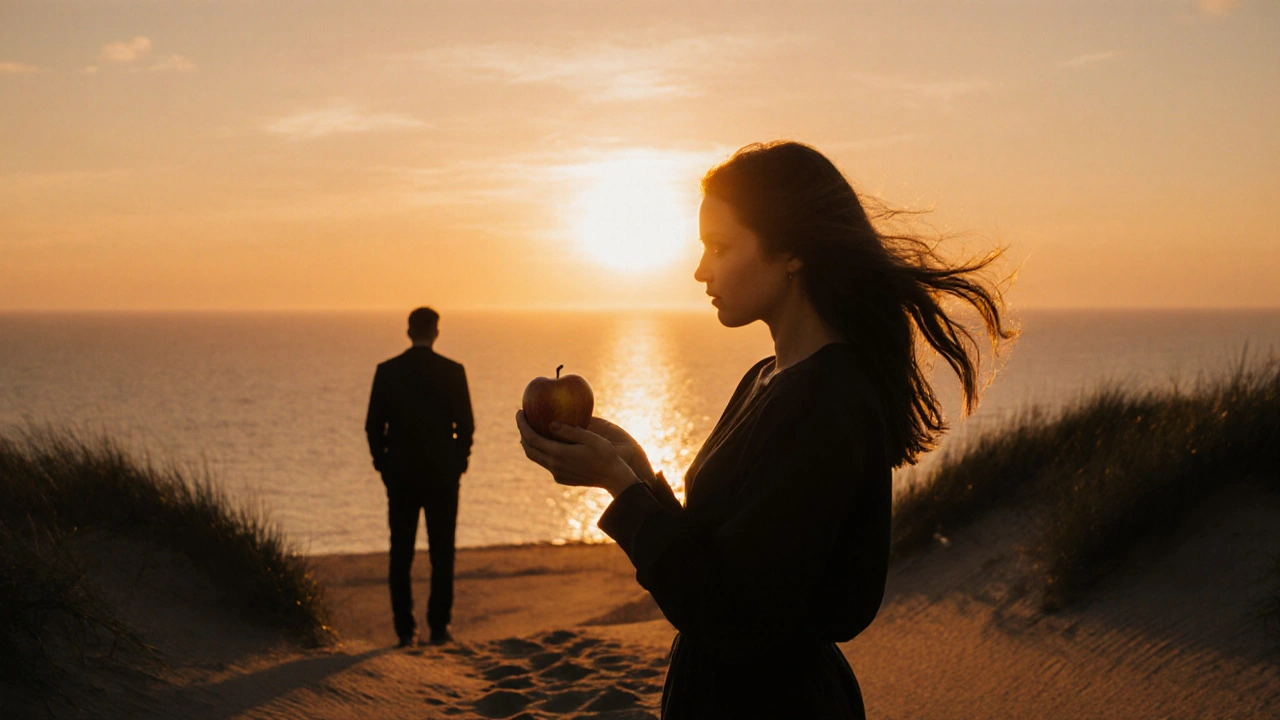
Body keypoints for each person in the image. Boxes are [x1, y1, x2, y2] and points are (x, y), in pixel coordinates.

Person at [515, 141, 1015, 718]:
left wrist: (624, 496)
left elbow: (734, 617)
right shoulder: (770, 377)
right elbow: (717, 555)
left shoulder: (825, 401)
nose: (701, 269)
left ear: (792, 253)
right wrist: (635, 473)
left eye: (720, 247)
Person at [366, 307, 474, 648]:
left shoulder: (387, 371)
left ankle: (405, 630)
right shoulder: (453, 371)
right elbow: (466, 426)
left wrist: (383, 465)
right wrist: (458, 463)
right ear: (436, 331)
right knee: (442, 553)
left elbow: (373, 426)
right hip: (442, 477)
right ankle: (439, 628)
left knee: (401, 553)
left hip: (401, 477)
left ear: (409, 330)